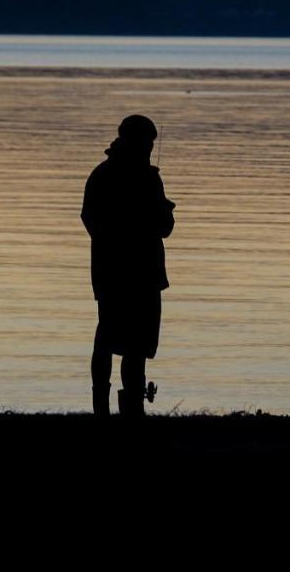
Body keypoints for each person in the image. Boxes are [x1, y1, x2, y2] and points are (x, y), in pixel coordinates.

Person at [81, 115, 175, 418]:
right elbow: (164, 228)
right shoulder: (146, 178)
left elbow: (90, 219)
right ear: (136, 141)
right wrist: (163, 212)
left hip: (113, 271)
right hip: (136, 272)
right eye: (147, 142)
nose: (149, 147)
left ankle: (110, 409)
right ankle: (128, 408)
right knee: (128, 341)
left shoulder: (102, 174)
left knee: (114, 338)